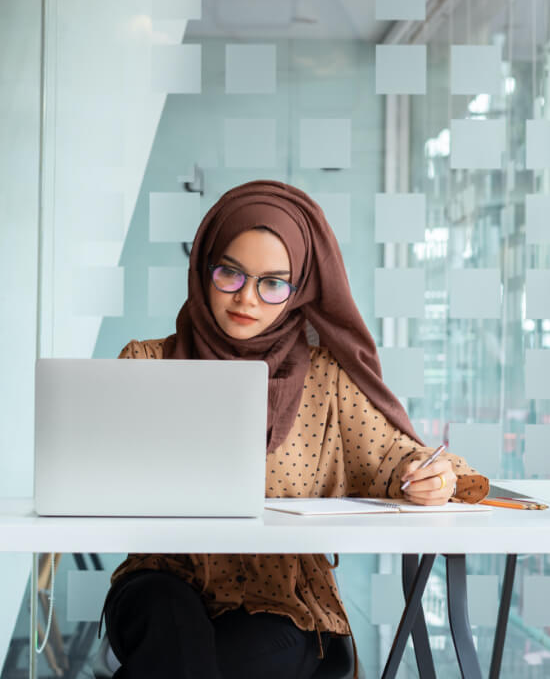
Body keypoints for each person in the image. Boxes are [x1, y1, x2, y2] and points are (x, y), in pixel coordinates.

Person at [99, 180, 489, 679]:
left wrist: (428, 475)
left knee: (220, 657)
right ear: (203, 269)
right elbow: (98, 471)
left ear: (300, 287)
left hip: (283, 598)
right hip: (161, 579)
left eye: (274, 283)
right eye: (230, 274)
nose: (248, 299)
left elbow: (396, 457)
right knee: (171, 625)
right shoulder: (146, 363)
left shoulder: (328, 380)